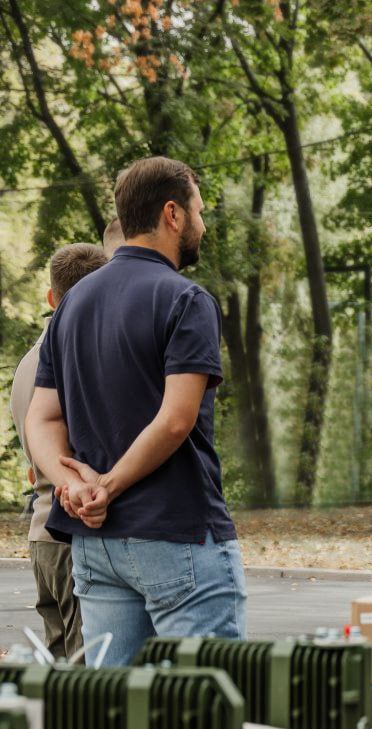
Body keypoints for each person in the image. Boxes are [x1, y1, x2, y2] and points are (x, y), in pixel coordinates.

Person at [25, 156, 247, 667]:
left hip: (95, 545)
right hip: (178, 533)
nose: (203, 224)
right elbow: (175, 419)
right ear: (173, 214)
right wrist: (109, 486)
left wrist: (73, 486)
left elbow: (42, 418)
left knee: (114, 711)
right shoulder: (187, 300)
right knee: (206, 708)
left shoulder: (73, 302)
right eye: (198, 210)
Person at [10, 244, 108, 659]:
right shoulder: (77, 358)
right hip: (72, 530)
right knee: (88, 668)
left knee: (57, 668)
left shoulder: (27, 362)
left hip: (40, 534)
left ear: (52, 297)